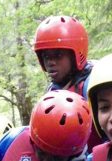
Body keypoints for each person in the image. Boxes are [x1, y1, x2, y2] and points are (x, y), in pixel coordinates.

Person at [33, 15, 101, 151]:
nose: (50, 62)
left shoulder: (93, 84)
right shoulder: (53, 90)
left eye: (58, 55)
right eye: (46, 57)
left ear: (75, 55)